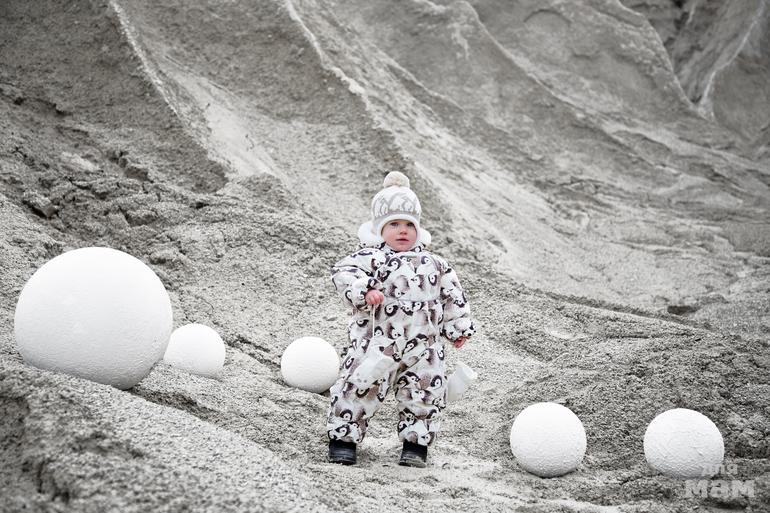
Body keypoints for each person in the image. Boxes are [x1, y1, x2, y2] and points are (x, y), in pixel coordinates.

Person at [326, 171, 476, 467]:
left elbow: (452, 296)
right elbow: (343, 274)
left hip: (423, 348)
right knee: (358, 386)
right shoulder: (370, 258)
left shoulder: (436, 264)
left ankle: (415, 445)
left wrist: (457, 327)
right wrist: (365, 289)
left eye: (409, 225)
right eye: (394, 224)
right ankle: (343, 438)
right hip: (376, 343)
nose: (402, 231)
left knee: (424, 393)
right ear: (379, 228)